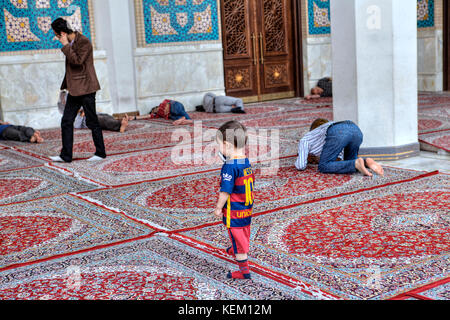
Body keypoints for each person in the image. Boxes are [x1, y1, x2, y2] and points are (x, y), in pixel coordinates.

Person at [49, 18, 106, 163]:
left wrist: (66, 45)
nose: (57, 38)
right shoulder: (71, 42)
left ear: (62, 33)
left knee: (92, 121)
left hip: (86, 88)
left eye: (57, 35)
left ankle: (100, 153)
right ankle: (65, 155)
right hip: (74, 89)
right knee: (66, 121)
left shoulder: (84, 42)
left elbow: (77, 62)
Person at [213, 120, 255, 280]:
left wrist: (218, 207)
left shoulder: (229, 166)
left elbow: (225, 190)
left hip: (234, 210)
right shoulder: (245, 161)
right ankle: (236, 247)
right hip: (246, 207)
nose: (219, 149)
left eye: (219, 145)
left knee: (238, 241)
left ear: (226, 144)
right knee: (242, 232)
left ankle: (244, 271)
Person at [295, 118, 384, 177]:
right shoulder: (325, 132)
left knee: (323, 166)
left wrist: (304, 158)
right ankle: (366, 162)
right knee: (350, 160)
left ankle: (356, 163)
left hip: (338, 132)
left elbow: (300, 166)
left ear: (312, 129)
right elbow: (340, 158)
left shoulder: (306, 139)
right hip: (355, 129)